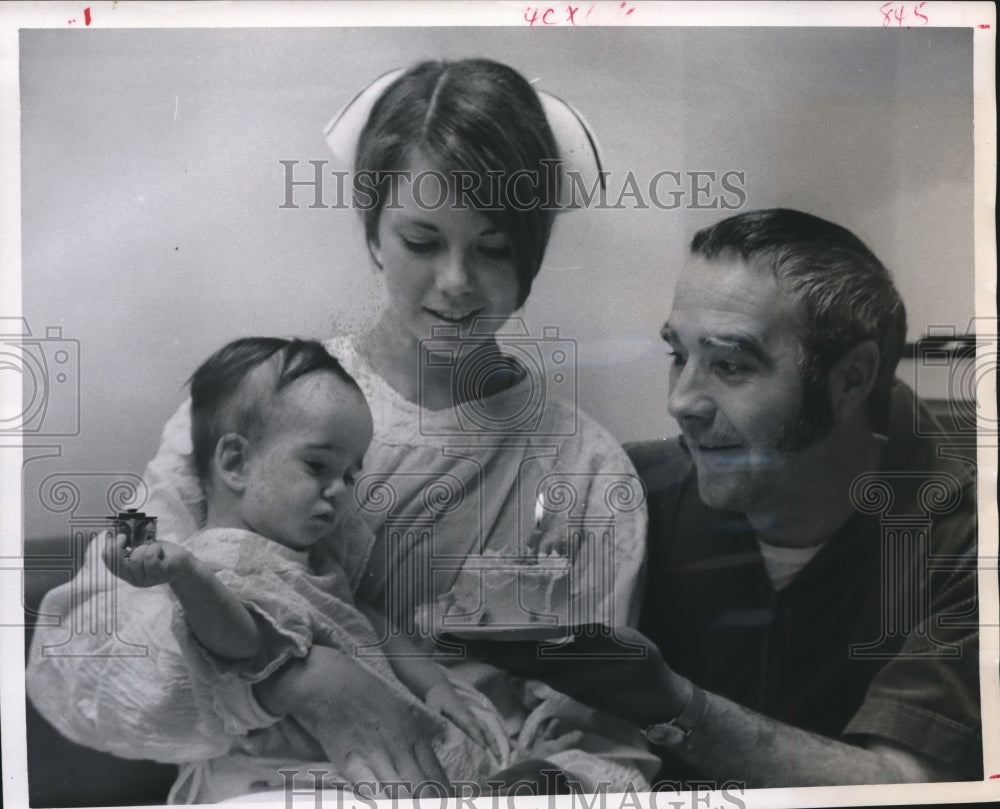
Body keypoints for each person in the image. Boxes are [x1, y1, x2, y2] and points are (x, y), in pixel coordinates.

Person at [26, 59, 655, 801]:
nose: (456, 281)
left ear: (533, 255)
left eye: (493, 248)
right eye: (422, 241)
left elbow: (602, 740)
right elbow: (78, 666)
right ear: (373, 235)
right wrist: (299, 679)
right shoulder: (262, 406)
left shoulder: (586, 473)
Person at [464, 209, 980, 787]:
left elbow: (906, 786)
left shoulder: (964, 541)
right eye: (678, 356)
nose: (682, 402)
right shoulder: (623, 491)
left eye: (731, 365)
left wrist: (674, 705)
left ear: (851, 379)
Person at [83, 336, 508, 800]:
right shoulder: (224, 558)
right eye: (317, 465)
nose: (339, 490)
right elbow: (243, 646)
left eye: (349, 475)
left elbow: (368, 623)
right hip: (269, 775)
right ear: (236, 462)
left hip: (341, 758)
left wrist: (434, 685)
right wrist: (188, 574)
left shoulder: (314, 560)